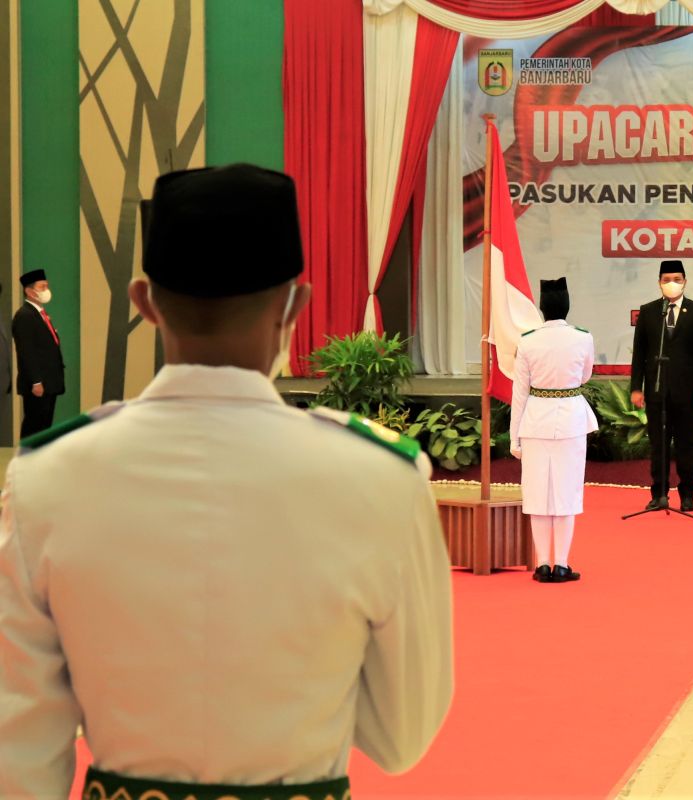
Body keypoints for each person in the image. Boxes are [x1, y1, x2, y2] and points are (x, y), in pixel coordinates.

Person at [0, 163, 453, 799]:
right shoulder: (380, 478)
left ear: (144, 303)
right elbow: (401, 739)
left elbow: (16, 758)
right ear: (297, 304)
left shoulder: (46, 477)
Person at [510, 277, 598, 583]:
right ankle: (562, 563)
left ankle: (542, 564)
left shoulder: (528, 340)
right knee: (566, 492)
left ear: (542, 308)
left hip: (535, 420)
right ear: (567, 306)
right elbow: (585, 376)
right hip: (571, 417)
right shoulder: (583, 338)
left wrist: (514, 437)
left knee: (537, 493)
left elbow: (519, 393)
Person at [630, 260, 693, 513]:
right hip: (656, 390)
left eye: (676, 279)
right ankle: (659, 494)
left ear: (685, 281)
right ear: (659, 283)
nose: (671, 284)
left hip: (687, 393)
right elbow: (640, 353)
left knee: (686, 444)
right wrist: (636, 388)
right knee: (659, 445)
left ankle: (688, 495)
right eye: (666, 280)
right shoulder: (649, 311)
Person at [12, 268, 65, 437]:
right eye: (42, 287)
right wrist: (36, 382)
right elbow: (26, 351)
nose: (46, 291)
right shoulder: (25, 316)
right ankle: (27, 459)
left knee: (44, 426)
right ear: (29, 291)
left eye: (46, 286)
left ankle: (39, 460)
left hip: (49, 381)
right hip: (39, 384)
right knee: (34, 426)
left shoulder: (40, 314)